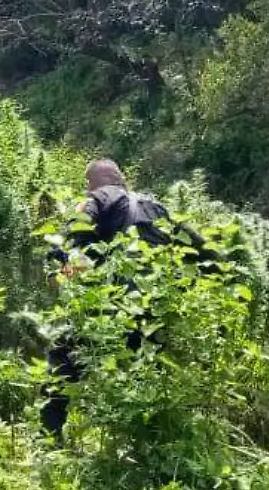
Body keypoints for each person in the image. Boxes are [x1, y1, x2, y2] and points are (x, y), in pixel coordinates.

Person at [41, 159, 204, 441]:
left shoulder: (96, 198)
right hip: (152, 306)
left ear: (91, 184)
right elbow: (197, 246)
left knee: (63, 361)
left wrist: (62, 266)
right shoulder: (156, 207)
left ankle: (49, 437)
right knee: (146, 373)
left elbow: (76, 233)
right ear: (122, 179)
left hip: (106, 301)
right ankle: (148, 443)